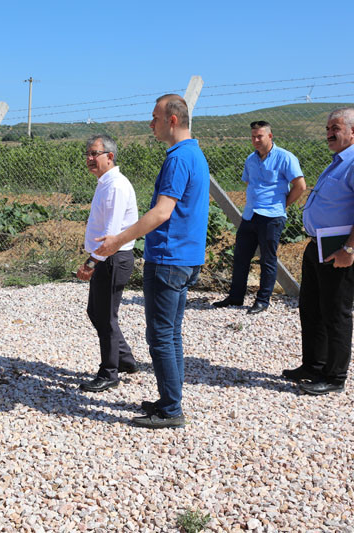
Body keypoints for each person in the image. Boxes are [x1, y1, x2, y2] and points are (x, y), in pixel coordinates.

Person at [95, 94, 209, 428]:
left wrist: (118, 240)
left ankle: (171, 410)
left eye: (155, 118)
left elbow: (162, 212)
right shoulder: (195, 153)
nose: (151, 124)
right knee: (171, 334)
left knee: (160, 337)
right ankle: (170, 399)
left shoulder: (177, 158)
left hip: (168, 258)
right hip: (187, 258)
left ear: (172, 120)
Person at [283, 108, 354, 395]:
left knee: (335, 312)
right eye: (328, 128)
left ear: (353, 130)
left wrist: (349, 249)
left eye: (335, 128)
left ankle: (335, 376)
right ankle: (314, 365)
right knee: (312, 308)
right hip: (318, 245)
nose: (329, 133)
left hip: (338, 248)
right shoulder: (340, 161)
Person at [212, 121, 306, 314]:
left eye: (259, 136)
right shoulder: (250, 159)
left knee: (267, 260)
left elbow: (300, 186)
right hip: (250, 215)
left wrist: (282, 205)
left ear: (270, 136)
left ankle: (262, 301)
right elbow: (250, 183)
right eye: (253, 136)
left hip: (272, 216)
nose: (255, 140)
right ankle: (236, 297)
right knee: (240, 257)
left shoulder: (285, 157)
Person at [75, 135, 139, 392]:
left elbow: (111, 235)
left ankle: (109, 372)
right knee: (97, 311)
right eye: (88, 154)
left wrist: (91, 263)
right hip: (106, 258)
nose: (90, 159)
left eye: (95, 154)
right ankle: (125, 359)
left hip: (112, 258)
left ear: (110, 156)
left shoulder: (115, 186)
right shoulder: (106, 183)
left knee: (105, 316)